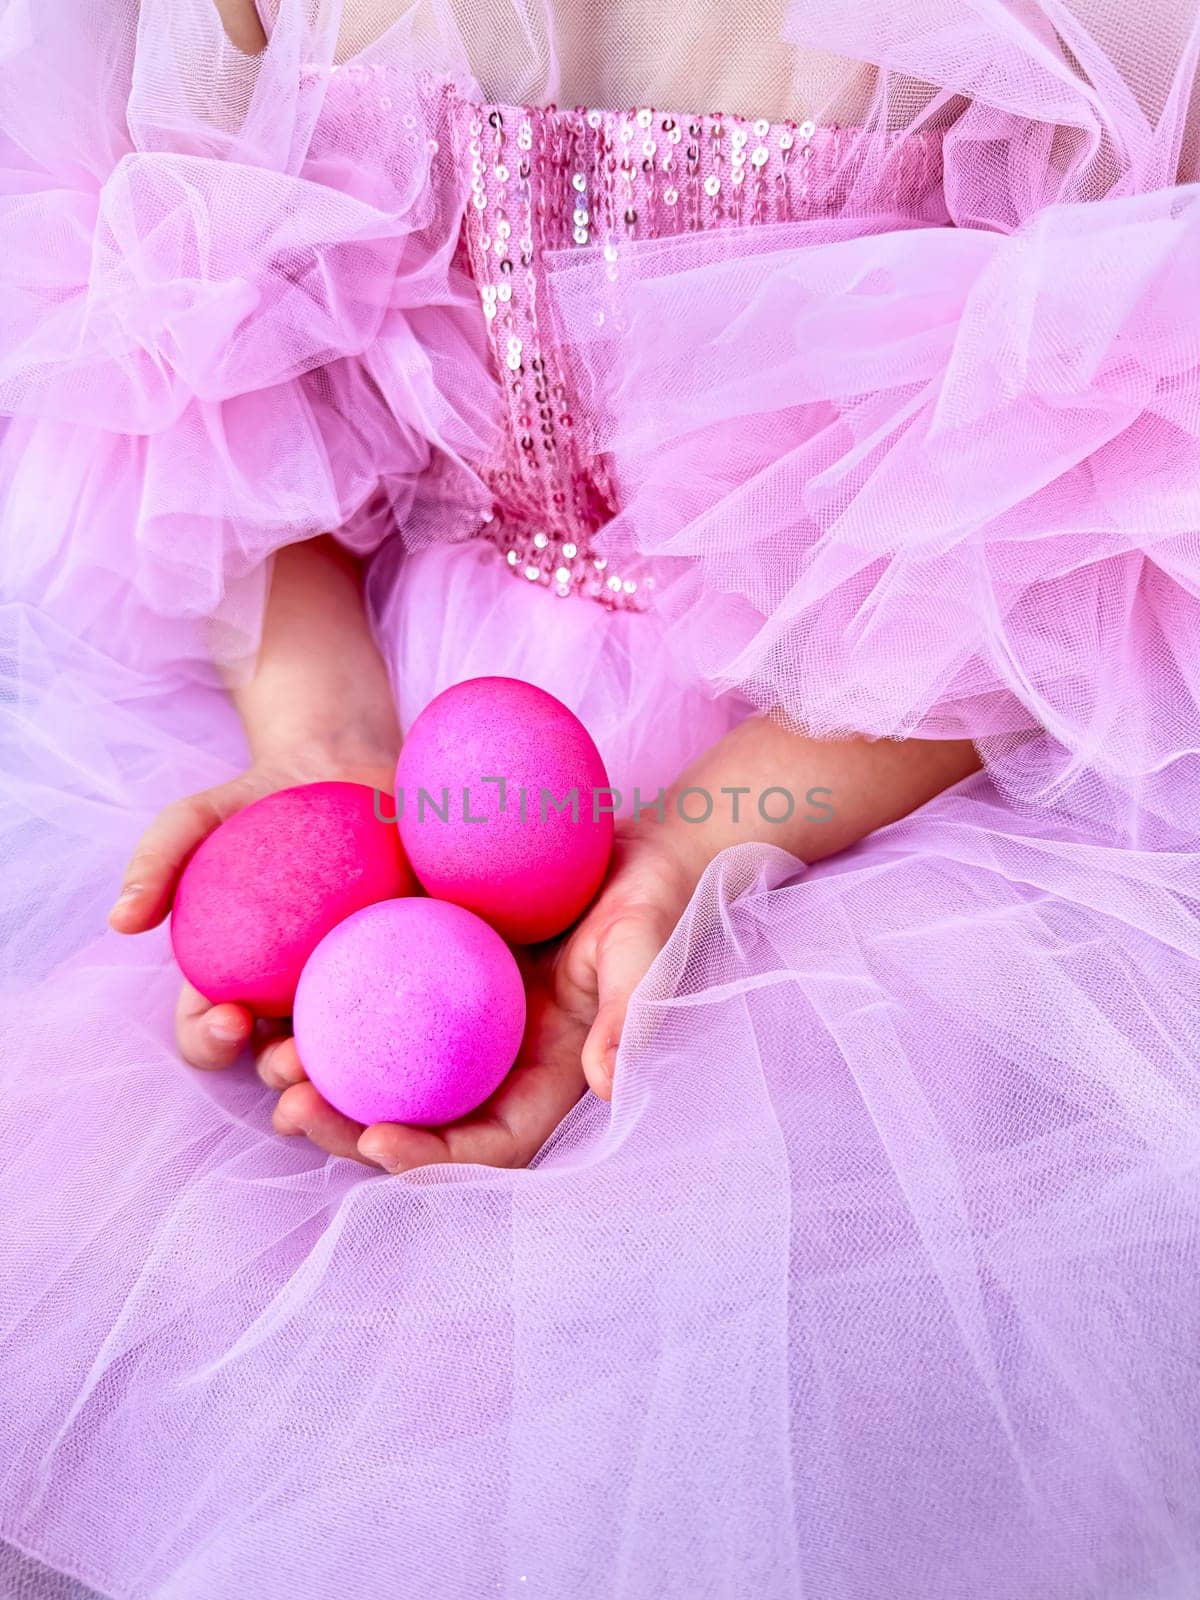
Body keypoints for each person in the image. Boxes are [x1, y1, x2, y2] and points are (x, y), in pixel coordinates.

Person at [2, 1, 1199, 1595]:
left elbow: (1100, 503)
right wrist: (316, 735)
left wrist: (686, 846)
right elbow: (186, 337)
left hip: (857, 759)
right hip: (410, 705)